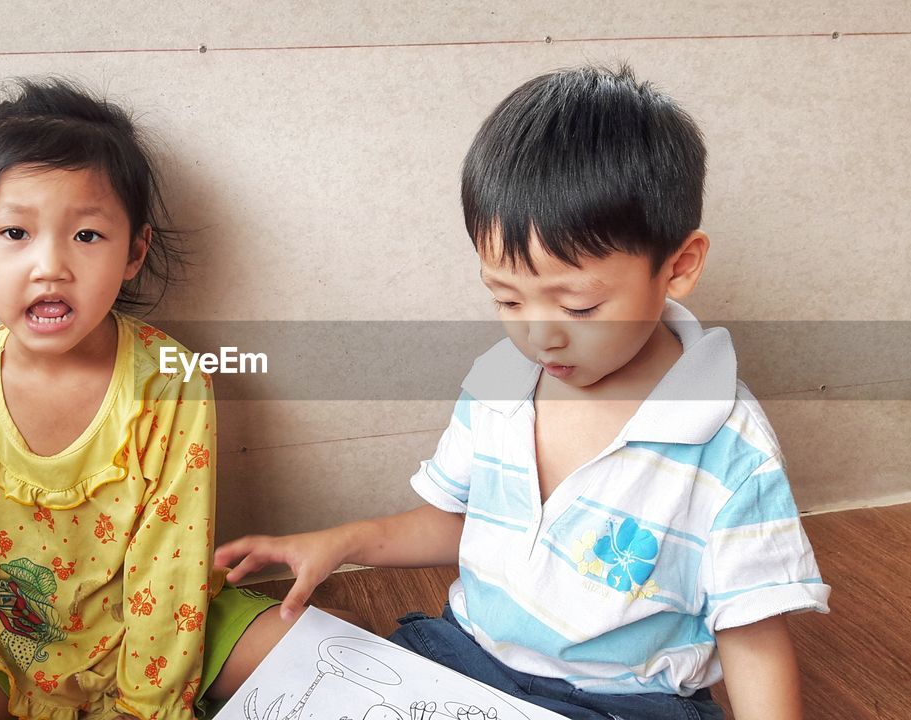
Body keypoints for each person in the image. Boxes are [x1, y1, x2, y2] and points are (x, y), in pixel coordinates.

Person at [216, 65, 830, 720]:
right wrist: (340, 543)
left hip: (623, 701)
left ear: (678, 267)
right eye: (506, 298)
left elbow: (754, 638)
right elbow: (457, 522)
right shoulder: (500, 381)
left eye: (581, 307)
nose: (540, 337)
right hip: (469, 655)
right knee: (273, 661)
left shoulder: (728, 446)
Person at [0, 78, 287, 720]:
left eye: (86, 236)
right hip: (8, 642)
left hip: (168, 625)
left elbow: (168, 573)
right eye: (16, 233)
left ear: (134, 252)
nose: (50, 266)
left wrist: (145, 710)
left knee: (335, 655)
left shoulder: (172, 380)